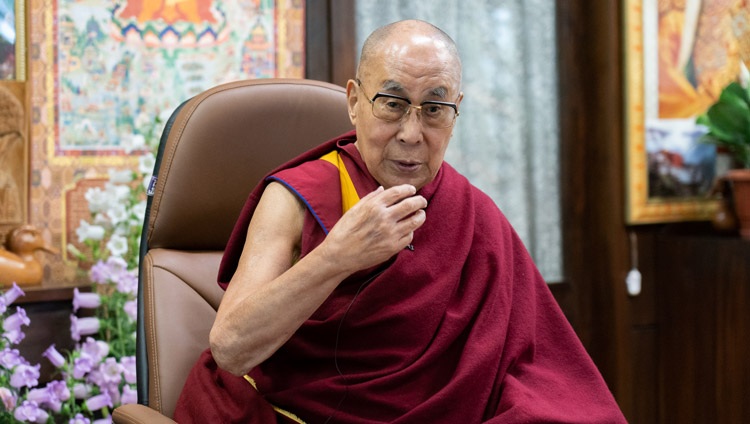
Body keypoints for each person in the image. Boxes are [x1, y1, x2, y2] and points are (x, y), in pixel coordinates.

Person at [174, 19, 627, 423]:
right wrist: (336, 257)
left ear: (455, 113)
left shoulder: (472, 213)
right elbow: (232, 348)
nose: (412, 134)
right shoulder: (297, 197)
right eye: (392, 104)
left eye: (434, 109)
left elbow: (536, 366)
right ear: (355, 103)